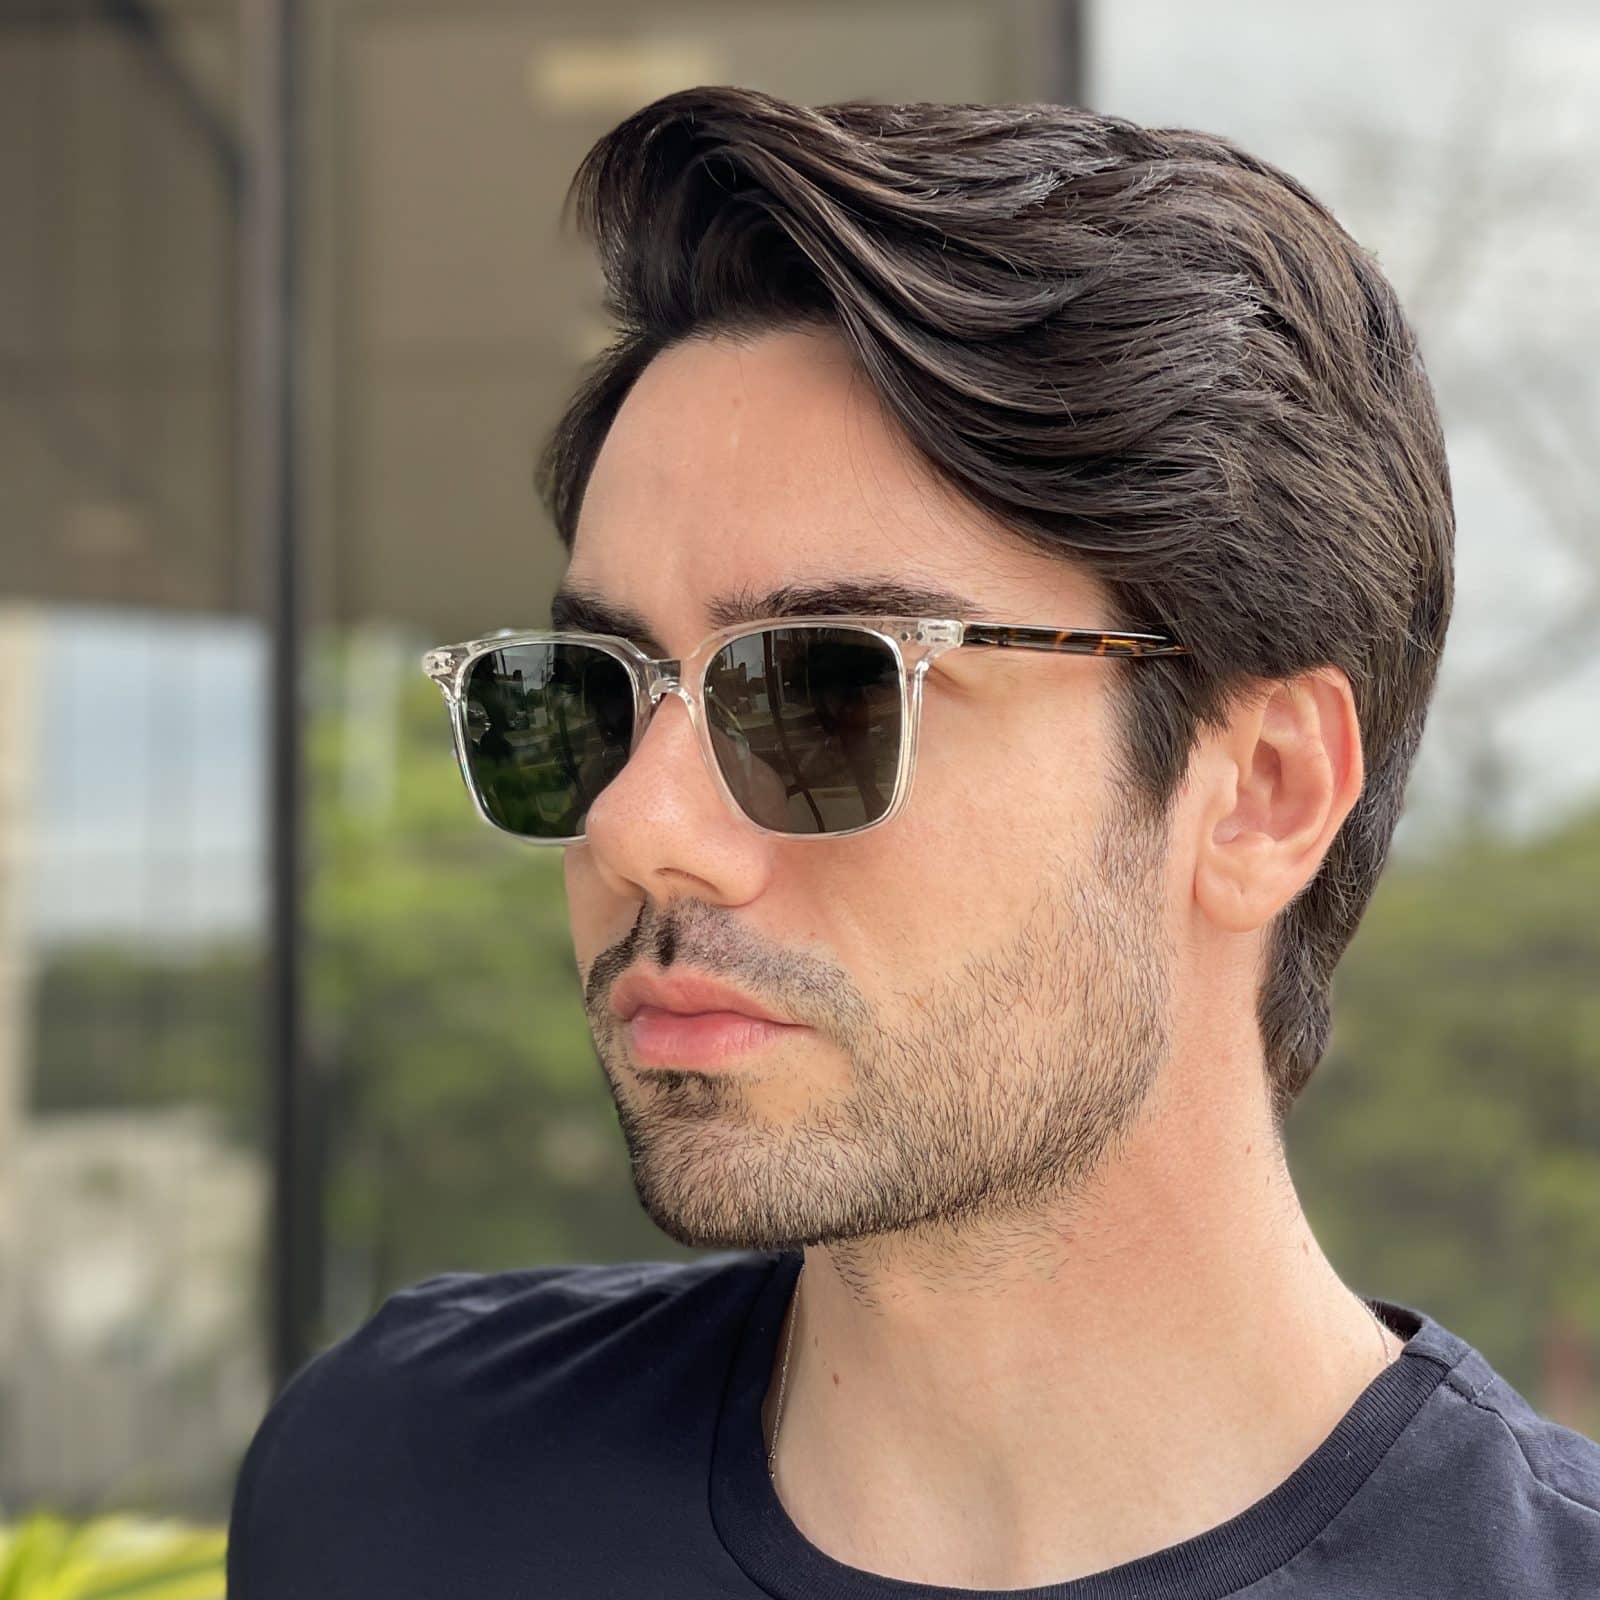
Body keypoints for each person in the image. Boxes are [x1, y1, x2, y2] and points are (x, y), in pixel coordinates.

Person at [226, 86, 1600, 1597]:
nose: (638, 825)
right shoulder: (398, 1490)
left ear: (1263, 790)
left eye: (824, 690)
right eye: (596, 690)